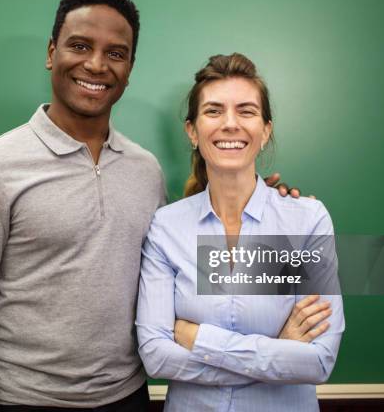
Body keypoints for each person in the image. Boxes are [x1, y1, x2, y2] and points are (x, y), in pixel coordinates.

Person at [0, 0, 306, 412]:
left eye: (116, 53)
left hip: (128, 396)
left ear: (129, 69)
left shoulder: (145, 170)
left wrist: (267, 212)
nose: (96, 64)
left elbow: (194, 276)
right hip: (24, 400)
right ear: (51, 52)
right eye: (79, 46)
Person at [136, 53, 345, 411]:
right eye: (214, 111)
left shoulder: (306, 222)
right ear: (192, 131)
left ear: (265, 131)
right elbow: (156, 356)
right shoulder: (166, 228)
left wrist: (197, 337)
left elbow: (318, 361)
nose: (230, 124)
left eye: (246, 111)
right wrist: (276, 354)